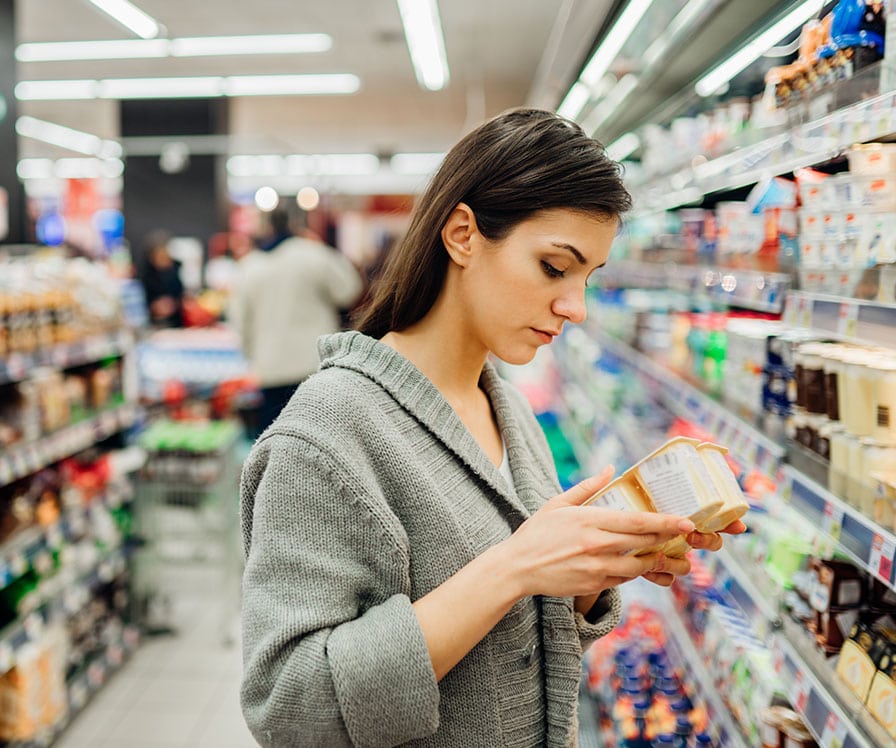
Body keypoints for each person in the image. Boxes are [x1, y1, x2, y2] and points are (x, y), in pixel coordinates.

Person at [238, 108, 746, 747]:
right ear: (462, 235)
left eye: (588, 277)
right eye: (555, 268)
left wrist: (592, 572)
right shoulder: (325, 437)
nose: (576, 307)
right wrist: (514, 567)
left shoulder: (510, 411)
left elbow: (512, 652)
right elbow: (290, 708)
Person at [228, 206, 363, 432]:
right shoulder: (313, 254)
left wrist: (253, 356)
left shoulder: (249, 267)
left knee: (275, 444)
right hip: (315, 365)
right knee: (322, 440)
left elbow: (239, 321)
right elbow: (349, 289)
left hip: (270, 369)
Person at [140, 230, 185, 328]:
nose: (163, 259)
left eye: (164, 255)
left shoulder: (176, 272)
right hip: (153, 325)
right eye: (159, 256)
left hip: (176, 324)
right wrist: (154, 308)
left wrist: (175, 303)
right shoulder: (145, 277)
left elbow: (182, 296)